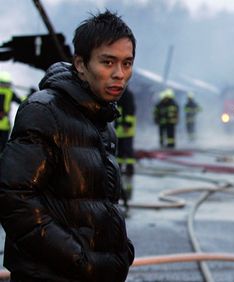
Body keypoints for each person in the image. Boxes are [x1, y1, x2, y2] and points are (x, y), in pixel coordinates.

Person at [0, 10, 136, 281]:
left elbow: (100, 204)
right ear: (80, 64)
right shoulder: (44, 111)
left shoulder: (103, 121)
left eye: (127, 63)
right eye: (108, 62)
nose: (119, 74)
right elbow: (13, 197)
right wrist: (78, 259)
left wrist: (122, 251)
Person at [114, 87, 136, 207]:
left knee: (128, 150)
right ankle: (120, 166)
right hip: (120, 128)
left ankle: (129, 167)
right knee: (120, 151)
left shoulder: (127, 95)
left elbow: (130, 110)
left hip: (127, 128)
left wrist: (127, 124)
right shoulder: (120, 94)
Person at [0, 71, 23, 153]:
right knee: (3, 147)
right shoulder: (10, 92)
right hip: (5, 124)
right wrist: (32, 94)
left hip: (4, 123)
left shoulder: (9, 92)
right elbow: (21, 100)